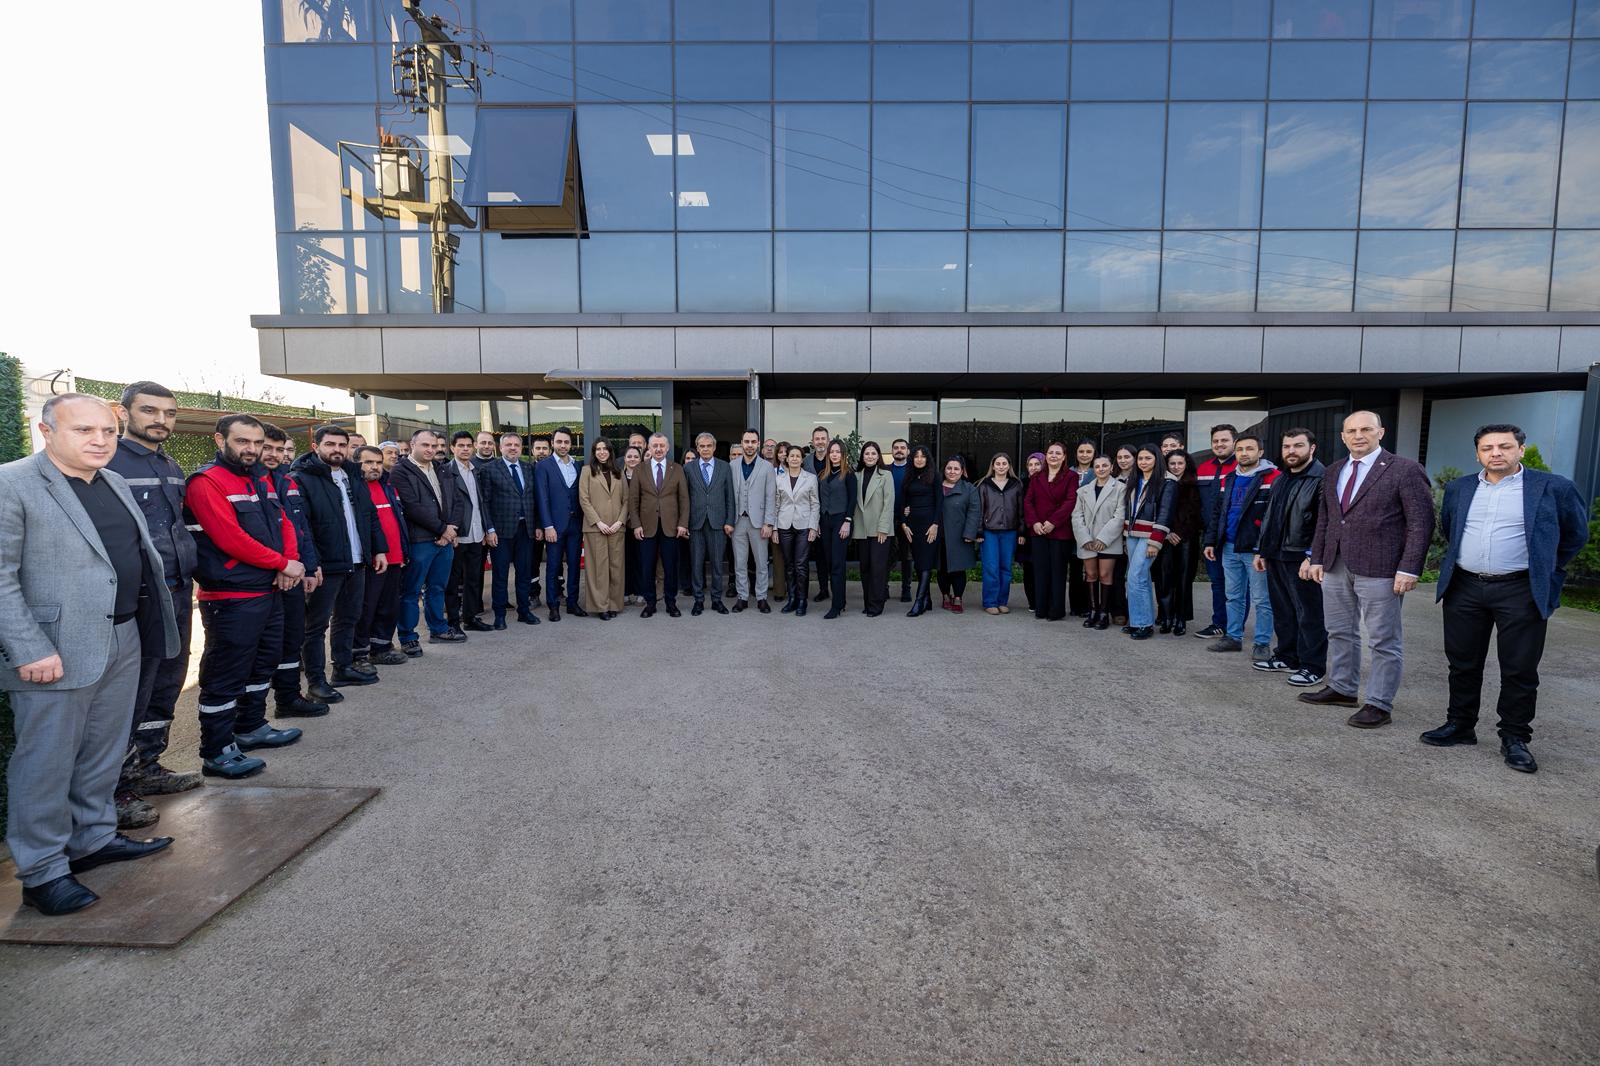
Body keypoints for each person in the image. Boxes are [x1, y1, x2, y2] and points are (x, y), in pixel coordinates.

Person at [1, 394, 181, 916]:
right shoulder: (12, 483)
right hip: (53, 651)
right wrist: (29, 647)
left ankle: (93, 839)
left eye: (107, 431)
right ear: (46, 431)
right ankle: (42, 871)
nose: (99, 440)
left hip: (123, 636)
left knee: (103, 749)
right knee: (45, 763)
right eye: (83, 430)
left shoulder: (114, 482)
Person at [1425, 424, 1590, 773]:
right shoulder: (1460, 488)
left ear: (1521, 450)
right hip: (1465, 587)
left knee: (1519, 668)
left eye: (1504, 446)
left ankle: (1515, 737)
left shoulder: (1554, 487)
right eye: (1487, 448)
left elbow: (1575, 534)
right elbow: (1450, 527)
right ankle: (1460, 725)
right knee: (1462, 663)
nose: (1496, 453)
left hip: (1520, 589)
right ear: (1477, 454)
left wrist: (1548, 570)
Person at [185, 414, 306, 779]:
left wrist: (288, 563)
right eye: (242, 441)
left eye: (257, 442)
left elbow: (284, 523)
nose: (251, 449)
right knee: (226, 673)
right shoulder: (206, 482)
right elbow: (229, 538)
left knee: (262, 662)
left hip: (266, 587)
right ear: (219, 440)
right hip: (230, 594)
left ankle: (251, 726)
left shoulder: (260, 479)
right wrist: (282, 563)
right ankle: (217, 751)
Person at [1302, 411, 1435, 729]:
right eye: (1351, 431)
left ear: (1381, 432)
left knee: (1383, 639)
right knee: (1338, 631)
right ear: (1343, 436)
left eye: (1366, 429)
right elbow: (1326, 519)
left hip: (1382, 567)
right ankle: (1342, 688)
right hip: (1335, 564)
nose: (1358, 435)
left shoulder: (1405, 470)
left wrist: (1409, 568)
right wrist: (1317, 557)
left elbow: (1421, 523)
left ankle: (1379, 703)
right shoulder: (1334, 471)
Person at [107, 382, 201, 825]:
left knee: (168, 679)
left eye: (169, 413)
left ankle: (148, 765)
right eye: (149, 410)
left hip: (177, 589)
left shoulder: (170, 464)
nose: (161, 420)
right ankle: (116, 789)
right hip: (139, 597)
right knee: (132, 690)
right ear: (124, 413)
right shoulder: (109, 461)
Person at [290, 424, 387, 693]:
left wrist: (378, 549)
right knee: (316, 625)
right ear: (315, 446)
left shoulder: (353, 474)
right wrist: (312, 564)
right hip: (325, 564)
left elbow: (369, 515)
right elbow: (302, 526)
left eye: (342, 445)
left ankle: (342, 669)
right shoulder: (302, 478)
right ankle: (316, 681)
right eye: (330, 444)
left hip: (356, 560)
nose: (337, 450)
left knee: (349, 617)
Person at [260, 424, 330, 717]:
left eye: (281, 449)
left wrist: (310, 567)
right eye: (268, 447)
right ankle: (248, 718)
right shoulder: (245, 482)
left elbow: (301, 529)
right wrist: (282, 565)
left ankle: (288, 698)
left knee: (291, 639)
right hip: (266, 577)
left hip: (295, 573)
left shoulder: (286, 481)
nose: (276, 454)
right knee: (261, 648)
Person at [1252, 428, 1327, 684]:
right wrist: (1262, 550)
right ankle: (1286, 656)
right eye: (1287, 446)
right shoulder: (1281, 478)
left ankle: (1313, 666)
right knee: (1283, 610)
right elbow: (1270, 517)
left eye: (1298, 445)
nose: (1291, 451)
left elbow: (1325, 523)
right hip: (1275, 554)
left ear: (1312, 448)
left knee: (1309, 614)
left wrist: (1313, 556)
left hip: (1301, 557)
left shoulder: (1322, 479)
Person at [390, 428, 466, 655]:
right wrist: (443, 529)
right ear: (413, 445)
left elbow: (457, 501)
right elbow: (412, 507)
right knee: (411, 591)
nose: (431, 450)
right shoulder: (400, 471)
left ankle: (439, 629)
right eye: (425, 445)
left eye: (434, 446)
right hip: (419, 541)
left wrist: (451, 529)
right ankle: (408, 637)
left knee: (437, 587)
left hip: (445, 541)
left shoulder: (442, 469)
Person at [1202, 434, 1278, 657]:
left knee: (1262, 599)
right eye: (1240, 449)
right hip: (1229, 547)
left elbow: (1274, 518)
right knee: (1233, 596)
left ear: (1260, 452)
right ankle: (1233, 637)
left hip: (1255, 551)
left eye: (1250, 449)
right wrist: (1210, 541)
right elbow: (1218, 513)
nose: (1244, 453)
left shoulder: (1273, 477)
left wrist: (1263, 549)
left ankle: (1262, 643)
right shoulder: (1229, 478)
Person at [476, 431, 541, 628]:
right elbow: (484, 502)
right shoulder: (489, 469)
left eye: (516, 445)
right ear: (500, 448)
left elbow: (535, 499)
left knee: (524, 573)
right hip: (501, 531)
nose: (513, 448)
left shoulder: (529, 468)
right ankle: (500, 615)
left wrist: (538, 525)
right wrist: (489, 529)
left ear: (521, 448)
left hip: (526, 529)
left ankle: (524, 611)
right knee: (500, 574)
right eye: (508, 445)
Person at [353, 445, 410, 667]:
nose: (374, 467)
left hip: (394, 558)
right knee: (366, 608)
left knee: (388, 607)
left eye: (377, 462)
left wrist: (403, 551)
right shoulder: (353, 488)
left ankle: (381, 647)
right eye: (368, 462)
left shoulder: (387, 486)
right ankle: (358, 654)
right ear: (356, 463)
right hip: (371, 561)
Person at [629, 433, 689, 619]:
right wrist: (636, 524)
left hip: (671, 527)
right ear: (649, 448)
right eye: (655, 445)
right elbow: (633, 499)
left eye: (662, 446)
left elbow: (684, 499)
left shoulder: (677, 469)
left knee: (670, 567)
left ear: (667, 448)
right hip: (646, 527)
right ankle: (650, 603)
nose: (658, 449)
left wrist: (683, 523)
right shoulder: (640, 469)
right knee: (647, 567)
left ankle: (671, 602)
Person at [532, 427, 586, 621]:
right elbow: (542, 498)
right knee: (553, 567)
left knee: (574, 566)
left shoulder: (578, 465)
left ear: (571, 444)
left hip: (576, 524)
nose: (563, 445)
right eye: (559, 442)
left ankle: (572, 603)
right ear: (553, 443)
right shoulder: (543, 466)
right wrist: (547, 526)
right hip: (554, 526)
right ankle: (553, 605)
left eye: (566, 442)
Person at [1022, 442, 1078, 621]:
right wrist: (1034, 523)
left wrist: (1053, 522)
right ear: (1046, 456)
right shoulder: (1037, 477)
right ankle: (1041, 608)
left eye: (1058, 453)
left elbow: (1070, 501)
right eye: (1051, 452)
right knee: (1041, 570)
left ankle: (1056, 610)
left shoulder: (1071, 476)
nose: (1054, 456)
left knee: (1057, 571)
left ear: (1064, 456)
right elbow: (1028, 501)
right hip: (1038, 531)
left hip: (1060, 531)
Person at [1122, 445, 1173, 640]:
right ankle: (1138, 620)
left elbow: (1165, 513)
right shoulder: (1135, 479)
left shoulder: (1167, 481)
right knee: (1137, 577)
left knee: (1136, 576)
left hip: (1149, 536)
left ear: (1157, 459)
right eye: (1140, 459)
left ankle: (1143, 624)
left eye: (1148, 458)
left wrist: (1155, 541)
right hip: (1132, 534)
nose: (1143, 462)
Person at [684, 432, 736, 616]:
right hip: (695, 523)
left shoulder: (724, 467)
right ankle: (698, 600)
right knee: (696, 564)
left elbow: (730, 496)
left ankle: (716, 600)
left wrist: (729, 521)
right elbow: (684, 498)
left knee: (717, 564)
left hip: (718, 523)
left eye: (708, 446)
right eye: (702, 446)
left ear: (714, 447)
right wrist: (684, 523)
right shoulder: (688, 468)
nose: (705, 449)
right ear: (697, 448)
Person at [1193, 424, 1239, 639]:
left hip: (1233, 537)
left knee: (1237, 585)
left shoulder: (1242, 467)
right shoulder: (1203, 468)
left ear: (1235, 442)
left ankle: (1235, 628)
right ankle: (1219, 623)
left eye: (1224, 440)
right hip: (1210, 537)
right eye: (1216, 441)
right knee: (1217, 582)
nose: (1219, 444)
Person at [445, 430, 491, 632]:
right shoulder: (446, 472)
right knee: (453, 581)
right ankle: (453, 622)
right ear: (452, 448)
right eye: (460, 446)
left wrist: (486, 529)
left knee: (474, 579)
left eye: (468, 446)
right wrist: (450, 530)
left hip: (477, 533)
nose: (465, 449)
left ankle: (470, 618)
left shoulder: (476, 471)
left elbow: (481, 503)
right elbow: (445, 505)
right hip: (458, 535)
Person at [1072, 455, 1125, 630]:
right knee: (1090, 574)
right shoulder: (1083, 490)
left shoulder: (1120, 488)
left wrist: (1104, 538)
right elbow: (1077, 516)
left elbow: (1120, 516)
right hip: (1087, 540)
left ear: (1111, 467)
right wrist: (1084, 538)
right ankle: (1093, 611)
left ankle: (1104, 614)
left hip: (1109, 540)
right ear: (1093, 469)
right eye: (1097, 466)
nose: (1101, 469)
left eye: (1104, 465)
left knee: (1105, 575)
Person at [577, 438, 627, 620]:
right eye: (598, 449)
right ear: (594, 452)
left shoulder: (618, 472)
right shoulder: (586, 471)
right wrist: (598, 522)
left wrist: (620, 522)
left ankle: (614, 604)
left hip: (616, 527)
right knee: (598, 569)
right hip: (595, 528)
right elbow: (584, 499)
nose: (602, 452)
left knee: (616, 567)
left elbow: (626, 500)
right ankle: (601, 606)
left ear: (610, 451)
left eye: (605, 449)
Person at [1154, 451, 1201, 636]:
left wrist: (1180, 533)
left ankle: (1181, 619)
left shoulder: (1194, 485)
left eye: (1180, 463)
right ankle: (1166, 618)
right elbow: (1158, 510)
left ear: (1186, 464)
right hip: (1165, 536)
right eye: (1172, 463)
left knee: (1183, 580)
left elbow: (1196, 514)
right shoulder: (1161, 484)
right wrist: (1167, 532)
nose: (1176, 467)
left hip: (1187, 538)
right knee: (1164, 579)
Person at [730, 428, 776, 613]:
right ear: (742, 443)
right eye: (746, 441)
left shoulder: (767, 467)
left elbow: (771, 496)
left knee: (761, 562)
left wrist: (769, 523)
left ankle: (761, 597)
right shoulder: (732, 465)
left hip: (759, 522)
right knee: (739, 562)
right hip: (737, 520)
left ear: (758, 444)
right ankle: (742, 597)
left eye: (753, 442)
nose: (749, 445)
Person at [772, 445, 820, 616]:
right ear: (786, 458)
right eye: (791, 456)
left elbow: (815, 504)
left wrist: (813, 526)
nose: (794, 458)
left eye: (797, 456)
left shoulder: (810, 478)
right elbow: (776, 504)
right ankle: (792, 599)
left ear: (802, 459)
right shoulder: (779, 479)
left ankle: (802, 601)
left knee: (801, 565)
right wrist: (775, 529)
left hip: (804, 526)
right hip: (784, 525)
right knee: (789, 565)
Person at [975, 453, 1024, 615]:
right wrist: (979, 530)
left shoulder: (1016, 485)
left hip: (1010, 531)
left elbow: (1021, 510)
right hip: (989, 532)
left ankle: (1002, 601)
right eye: (998, 463)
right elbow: (979, 509)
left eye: (1004, 463)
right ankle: (990, 601)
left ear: (1009, 466)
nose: (1001, 466)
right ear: (993, 466)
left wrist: (1021, 531)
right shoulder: (984, 485)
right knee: (991, 567)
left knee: (1006, 568)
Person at [897, 445, 943, 617]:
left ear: (927, 459)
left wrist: (935, 524)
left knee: (926, 563)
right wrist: (903, 524)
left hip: (929, 525)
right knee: (918, 562)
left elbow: (940, 502)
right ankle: (927, 599)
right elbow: (902, 502)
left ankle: (919, 601)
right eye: (916, 456)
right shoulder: (908, 477)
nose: (919, 459)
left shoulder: (935, 476)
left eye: (922, 456)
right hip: (912, 526)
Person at [815, 439, 858, 618]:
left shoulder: (849, 474)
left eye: (838, 452)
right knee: (829, 562)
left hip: (841, 521)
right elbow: (818, 500)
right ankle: (841, 601)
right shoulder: (822, 474)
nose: (834, 454)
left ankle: (837, 605)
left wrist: (847, 521)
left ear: (843, 454)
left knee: (837, 564)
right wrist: (817, 523)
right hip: (825, 522)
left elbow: (853, 500)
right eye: (832, 451)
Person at [853, 441, 896, 617]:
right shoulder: (856, 475)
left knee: (878, 569)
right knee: (865, 568)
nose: (870, 456)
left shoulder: (886, 475)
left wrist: (883, 528)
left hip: (880, 530)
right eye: (867, 453)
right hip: (862, 529)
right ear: (862, 456)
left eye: (873, 453)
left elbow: (889, 503)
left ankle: (876, 605)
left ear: (878, 456)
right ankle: (868, 602)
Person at [935, 457, 981, 613]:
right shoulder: (936, 487)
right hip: (939, 535)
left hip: (960, 536)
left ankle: (958, 597)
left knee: (958, 569)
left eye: (956, 469)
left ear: (962, 471)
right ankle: (945, 595)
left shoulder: (969, 489)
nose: (952, 472)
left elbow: (974, 512)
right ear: (944, 470)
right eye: (949, 468)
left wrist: (970, 533)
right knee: (942, 569)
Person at [1068, 439, 1098, 616]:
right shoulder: (1068, 472)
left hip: (1091, 526)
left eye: (1088, 452)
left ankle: (1090, 606)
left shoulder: (1098, 471)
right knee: (1074, 568)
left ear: (1094, 454)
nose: (1084, 455)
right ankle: (1075, 606)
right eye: (1081, 451)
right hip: (1070, 526)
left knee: (1090, 568)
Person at [1018, 453, 1045, 612]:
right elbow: (1020, 510)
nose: (1033, 468)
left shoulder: (1049, 481)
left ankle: (1043, 600)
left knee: (1043, 567)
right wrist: (1021, 532)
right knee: (1029, 568)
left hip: (1046, 530)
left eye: (1037, 464)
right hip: (1026, 532)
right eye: (1030, 464)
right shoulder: (1022, 484)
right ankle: (1032, 602)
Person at [887, 438, 913, 603]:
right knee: (886, 555)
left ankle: (906, 589)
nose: (899, 450)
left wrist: (912, 508)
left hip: (907, 520)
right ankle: (884, 588)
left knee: (906, 556)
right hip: (888, 518)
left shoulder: (913, 471)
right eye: (896, 447)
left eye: (902, 448)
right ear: (892, 451)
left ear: (908, 451)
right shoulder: (885, 470)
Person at [621, 444, 645, 607]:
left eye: (636, 457)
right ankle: (625, 592)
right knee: (624, 559)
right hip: (622, 524)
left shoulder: (646, 475)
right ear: (624, 459)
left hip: (641, 524)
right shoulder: (618, 476)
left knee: (641, 559)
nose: (632, 459)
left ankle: (640, 592)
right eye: (629, 456)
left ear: (641, 459)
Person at [770, 443, 791, 602]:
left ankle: (794, 591)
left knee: (794, 559)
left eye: (786, 452)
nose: (783, 454)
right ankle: (779, 591)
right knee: (778, 558)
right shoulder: (772, 472)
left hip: (795, 521)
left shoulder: (798, 472)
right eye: (780, 452)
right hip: (776, 519)